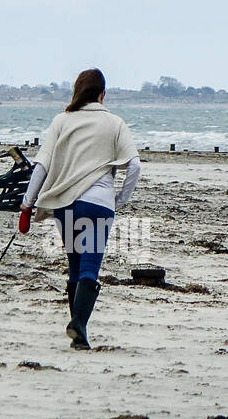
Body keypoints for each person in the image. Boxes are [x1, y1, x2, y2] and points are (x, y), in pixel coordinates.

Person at [19, 68, 141, 349]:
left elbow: (41, 166)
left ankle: (78, 331)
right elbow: (135, 166)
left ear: (77, 92)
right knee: (89, 267)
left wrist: (27, 205)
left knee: (75, 265)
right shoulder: (115, 123)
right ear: (102, 94)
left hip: (66, 206)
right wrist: (119, 199)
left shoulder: (61, 121)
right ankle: (80, 326)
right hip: (99, 205)